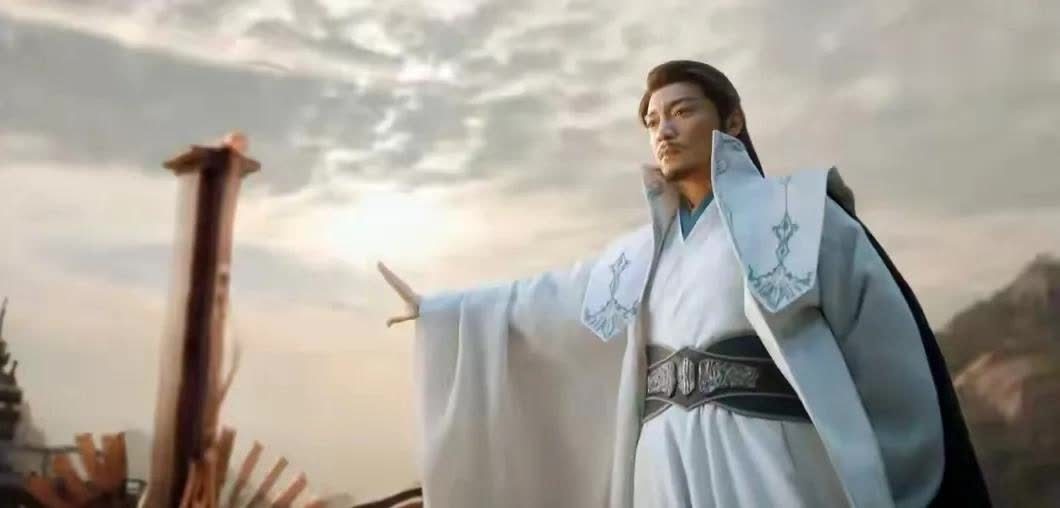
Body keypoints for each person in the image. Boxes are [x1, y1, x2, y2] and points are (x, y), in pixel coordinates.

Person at [379, 60, 989, 508]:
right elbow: (545, 303)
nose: (663, 130)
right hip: (663, 459)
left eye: (681, 111)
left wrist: (885, 464)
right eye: (652, 121)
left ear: (733, 119)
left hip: (768, 449)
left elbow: (880, 341)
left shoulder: (799, 211)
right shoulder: (638, 253)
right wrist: (443, 312)